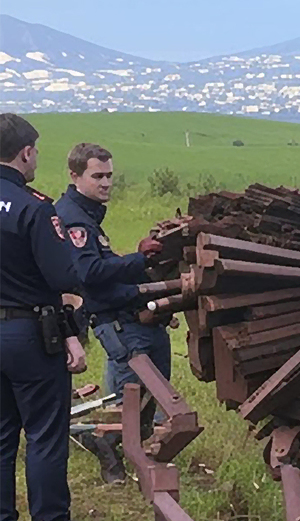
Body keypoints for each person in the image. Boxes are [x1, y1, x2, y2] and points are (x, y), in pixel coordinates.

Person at [0, 114, 93, 521]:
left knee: (1, 436)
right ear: (25, 153)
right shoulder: (35, 207)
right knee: (43, 432)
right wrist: (72, 331)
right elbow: (62, 276)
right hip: (29, 333)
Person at [55, 143, 169, 484]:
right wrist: (138, 263)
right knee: (129, 400)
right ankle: (106, 449)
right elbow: (89, 275)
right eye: (98, 176)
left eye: (109, 176)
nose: (106, 183)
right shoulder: (74, 219)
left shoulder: (87, 215)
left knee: (148, 397)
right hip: (115, 322)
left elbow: (103, 267)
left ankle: (135, 455)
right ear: (75, 176)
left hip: (125, 316)